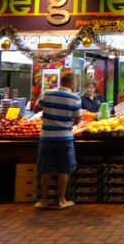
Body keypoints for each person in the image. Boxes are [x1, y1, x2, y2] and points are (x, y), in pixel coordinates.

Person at [33, 71, 83, 210]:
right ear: (72, 84)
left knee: (46, 169)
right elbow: (77, 120)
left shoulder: (47, 93)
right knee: (63, 170)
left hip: (47, 137)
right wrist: (66, 124)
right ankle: (62, 200)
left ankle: (43, 201)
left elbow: (35, 109)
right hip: (65, 138)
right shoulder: (75, 98)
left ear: (60, 81)